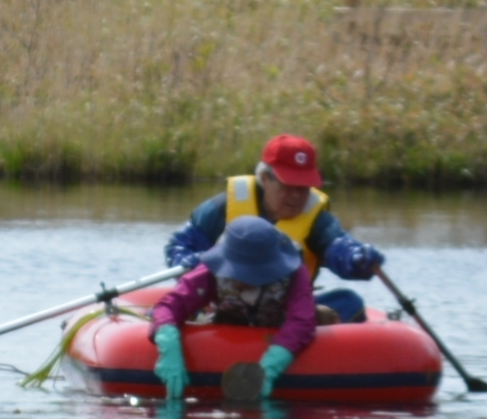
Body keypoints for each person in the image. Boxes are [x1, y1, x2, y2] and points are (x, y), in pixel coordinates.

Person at [164, 135, 387, 327]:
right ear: (264, 178)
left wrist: (356, 258)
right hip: (224, 305)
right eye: (288, 185)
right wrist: (185, 261)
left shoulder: (318, 221)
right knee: (184, 302)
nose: (297, 196)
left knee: (349, 303)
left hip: (288, 307)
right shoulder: (222, 208)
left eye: (303, 187)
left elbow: (338, 247)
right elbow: (180, 245)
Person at [149, 217, 314, 407]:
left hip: (276, 326)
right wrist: (168, 345)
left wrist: (271, 366)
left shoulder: (294, 273)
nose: (243, 278)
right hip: (228, 322)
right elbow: (169, 305)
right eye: (238, 270)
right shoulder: (210, 270)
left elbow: (302, 321)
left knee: (322, 314)